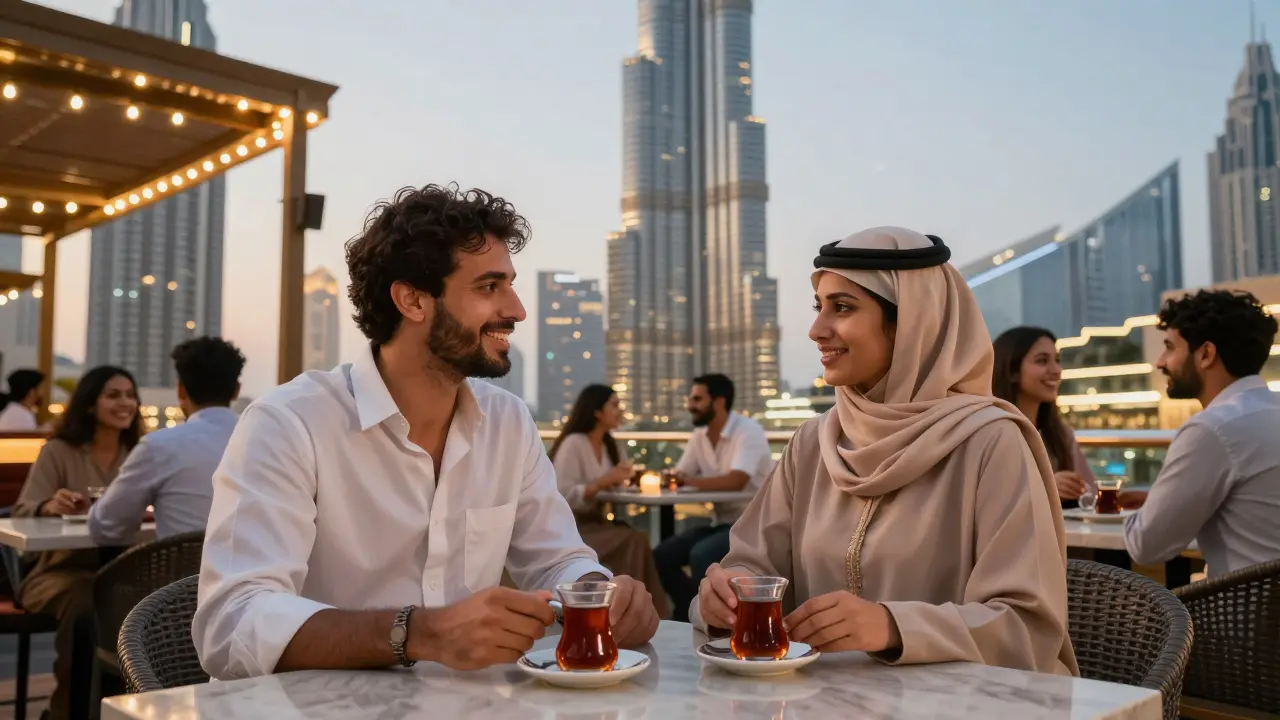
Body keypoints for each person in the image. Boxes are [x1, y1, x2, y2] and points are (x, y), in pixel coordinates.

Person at [194, 184, 658, 680]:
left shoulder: (507, 422)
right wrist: (415, 633)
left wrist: (598, 592)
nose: (518, 309)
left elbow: (556, 558)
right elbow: (232, 624)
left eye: (511, 284)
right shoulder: (290, 423)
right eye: (488, 287)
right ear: (412, 300)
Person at [693, 227, 1077, 676]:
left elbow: (1027, 627)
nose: (817, 330)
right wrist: (726, 591)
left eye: (842, 307)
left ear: (912, 322)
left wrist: (893, 626)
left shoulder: (991, 441)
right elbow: (751, 562)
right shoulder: (814, 443)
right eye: (820, 308)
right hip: (824, 701)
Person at [13, 366, 142, 720]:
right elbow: (23, 508)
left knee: (146, 605)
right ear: (89, 404)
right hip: (57, 570)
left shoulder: (139, 453)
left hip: (121, 569)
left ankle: (122, 708)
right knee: (89, 607)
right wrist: (49, 505)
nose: (125, 403)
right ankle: (67, 712)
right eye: (113, 395)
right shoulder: (58, 451)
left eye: (130, 395)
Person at [1123, 290, 1280, 577]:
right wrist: (1162, 499)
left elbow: (1146, 546)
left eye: (1170, 347)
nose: (1161, 362)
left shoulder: (1212, 429)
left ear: (1206, 354)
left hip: (1244, 618)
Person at [89, 337, 245, 544]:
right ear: (236, 390)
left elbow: (106, 527)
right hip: (265, 574)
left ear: (180, 390)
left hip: (182, 575)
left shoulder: (158, 447)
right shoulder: (269, 444)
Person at [652, 373, 773, 623]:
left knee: (701, 555)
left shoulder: (748, 431)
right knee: (662, 555)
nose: (690, 405)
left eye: (697, 399)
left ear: (718, 402)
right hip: (721, 523)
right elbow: (681, 474)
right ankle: (688, 614)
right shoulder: (700, 436)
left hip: (752, 526)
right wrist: (676, 478)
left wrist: (686, 481)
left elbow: (736, 480)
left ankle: (712, 623)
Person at [549, 384, 671, 618]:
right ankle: (635, 614)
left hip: (598, 523)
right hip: (572, 528)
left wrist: (617, 481)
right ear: (597, 412)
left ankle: (643, 613)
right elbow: (562, 495)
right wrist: (604, 481)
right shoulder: (574, 443)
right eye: (614, 405)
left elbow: (617, 480)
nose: (620, 411)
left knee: (636, 539)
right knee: (633, 540)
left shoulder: (611, 445)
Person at [992, 327, 1097, 507]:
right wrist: (1046, 487)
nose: (1056, 370)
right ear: (1012, 372)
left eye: (1057, 360)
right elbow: (987, 499)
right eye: (1042, 361)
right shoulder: (992, 431)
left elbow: (1092, 494)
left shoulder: (1060, 435)